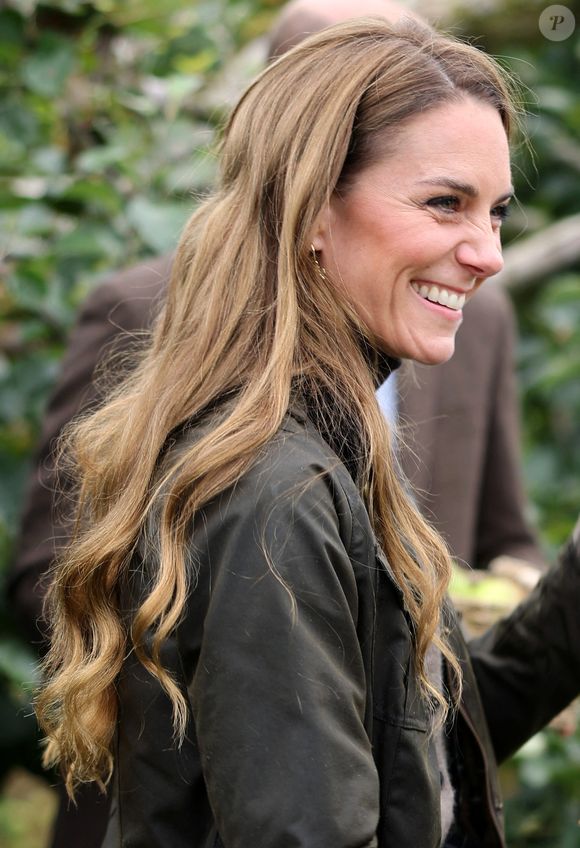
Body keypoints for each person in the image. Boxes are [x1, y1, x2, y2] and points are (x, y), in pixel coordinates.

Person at [35, 18, 580, 848]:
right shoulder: (277, 494)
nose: (489, 253)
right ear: (313, 212)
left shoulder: (316, 453)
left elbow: (405, 765)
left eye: (497, 212)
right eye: (445, 203)